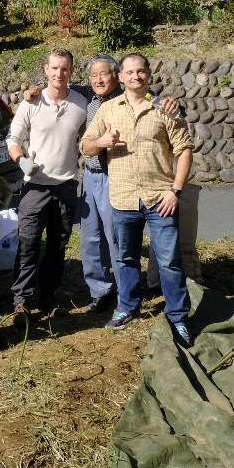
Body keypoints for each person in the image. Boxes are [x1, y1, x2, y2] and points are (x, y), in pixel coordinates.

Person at [22, 58, 181, 313]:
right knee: (91, 238)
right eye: (94, 75)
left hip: (115, 176)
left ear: (116, 76)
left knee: (115, 238)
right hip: (89, 176)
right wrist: (36, 88)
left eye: (104, 74)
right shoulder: (88, 95)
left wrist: (172, 103)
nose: (98, 80)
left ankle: (125, 292)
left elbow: (153, 97)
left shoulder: (127, 95)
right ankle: (100, 290)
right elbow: (59, 83)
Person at [80, 53, 195, 346]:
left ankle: (178, 317)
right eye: (129, 72)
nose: (135, 77)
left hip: (161, 199)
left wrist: (176, 190)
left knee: (169, 261)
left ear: (148, 74)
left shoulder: (165, 109)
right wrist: (101, 143)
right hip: (122, 199)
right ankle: (127, 307)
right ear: (121, 77)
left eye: (140, 71)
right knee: (125, 257)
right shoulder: (107, 109)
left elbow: (184, 149)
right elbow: (85, 145)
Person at [7, 48, 89, 324]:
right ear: (45, 69)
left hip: (66, 185)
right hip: (35, 186)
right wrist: (21, 161)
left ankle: (49, 296)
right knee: (28, 242)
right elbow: (13, 138)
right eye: (54, 68)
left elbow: (90, 134)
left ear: (72, 70)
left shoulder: (81, 104)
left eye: (64, 69)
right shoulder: (31, 102)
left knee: (58, 245)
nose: (59, 74)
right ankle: (22, 301)